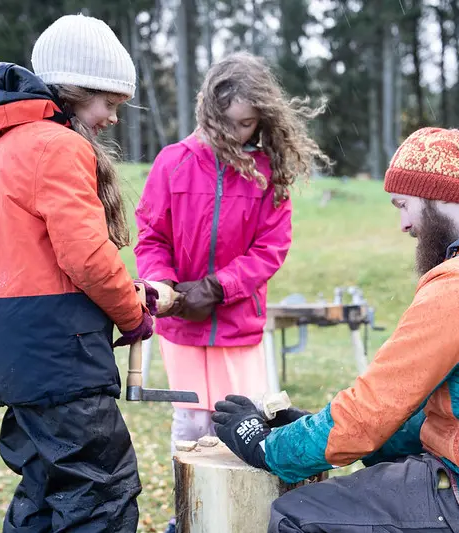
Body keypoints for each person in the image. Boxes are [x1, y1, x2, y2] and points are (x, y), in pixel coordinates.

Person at [212, 127, 459, 533]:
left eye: (403, 204)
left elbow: (371, 410)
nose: (404, 224)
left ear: (436, 194)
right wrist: (310, 427)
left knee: (298, 515)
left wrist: (267, 447)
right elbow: (437, 407)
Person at [0, 14, 168, 532]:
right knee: (99, 492)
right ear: (77, 90)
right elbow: (84, 257)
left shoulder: (8, 147)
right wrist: (132, 315)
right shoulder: (58, 146)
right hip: (61, 354)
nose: (111, 118)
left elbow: (42, 261)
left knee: (42, 493)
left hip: (15, 349)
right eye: (108, 102)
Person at [133, 51, 330, 532]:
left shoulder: (267, 174)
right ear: (207, 111)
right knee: (192, 427)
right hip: (181, 327)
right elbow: (150, 235)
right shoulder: (172, 163)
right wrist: (167, 288)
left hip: (239, 326)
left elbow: (271, 248)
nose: (237, 133)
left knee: (243, 425)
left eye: (248, 124)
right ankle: (191, 516)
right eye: (229, 122)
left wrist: (218, 288)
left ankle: (246, 521)